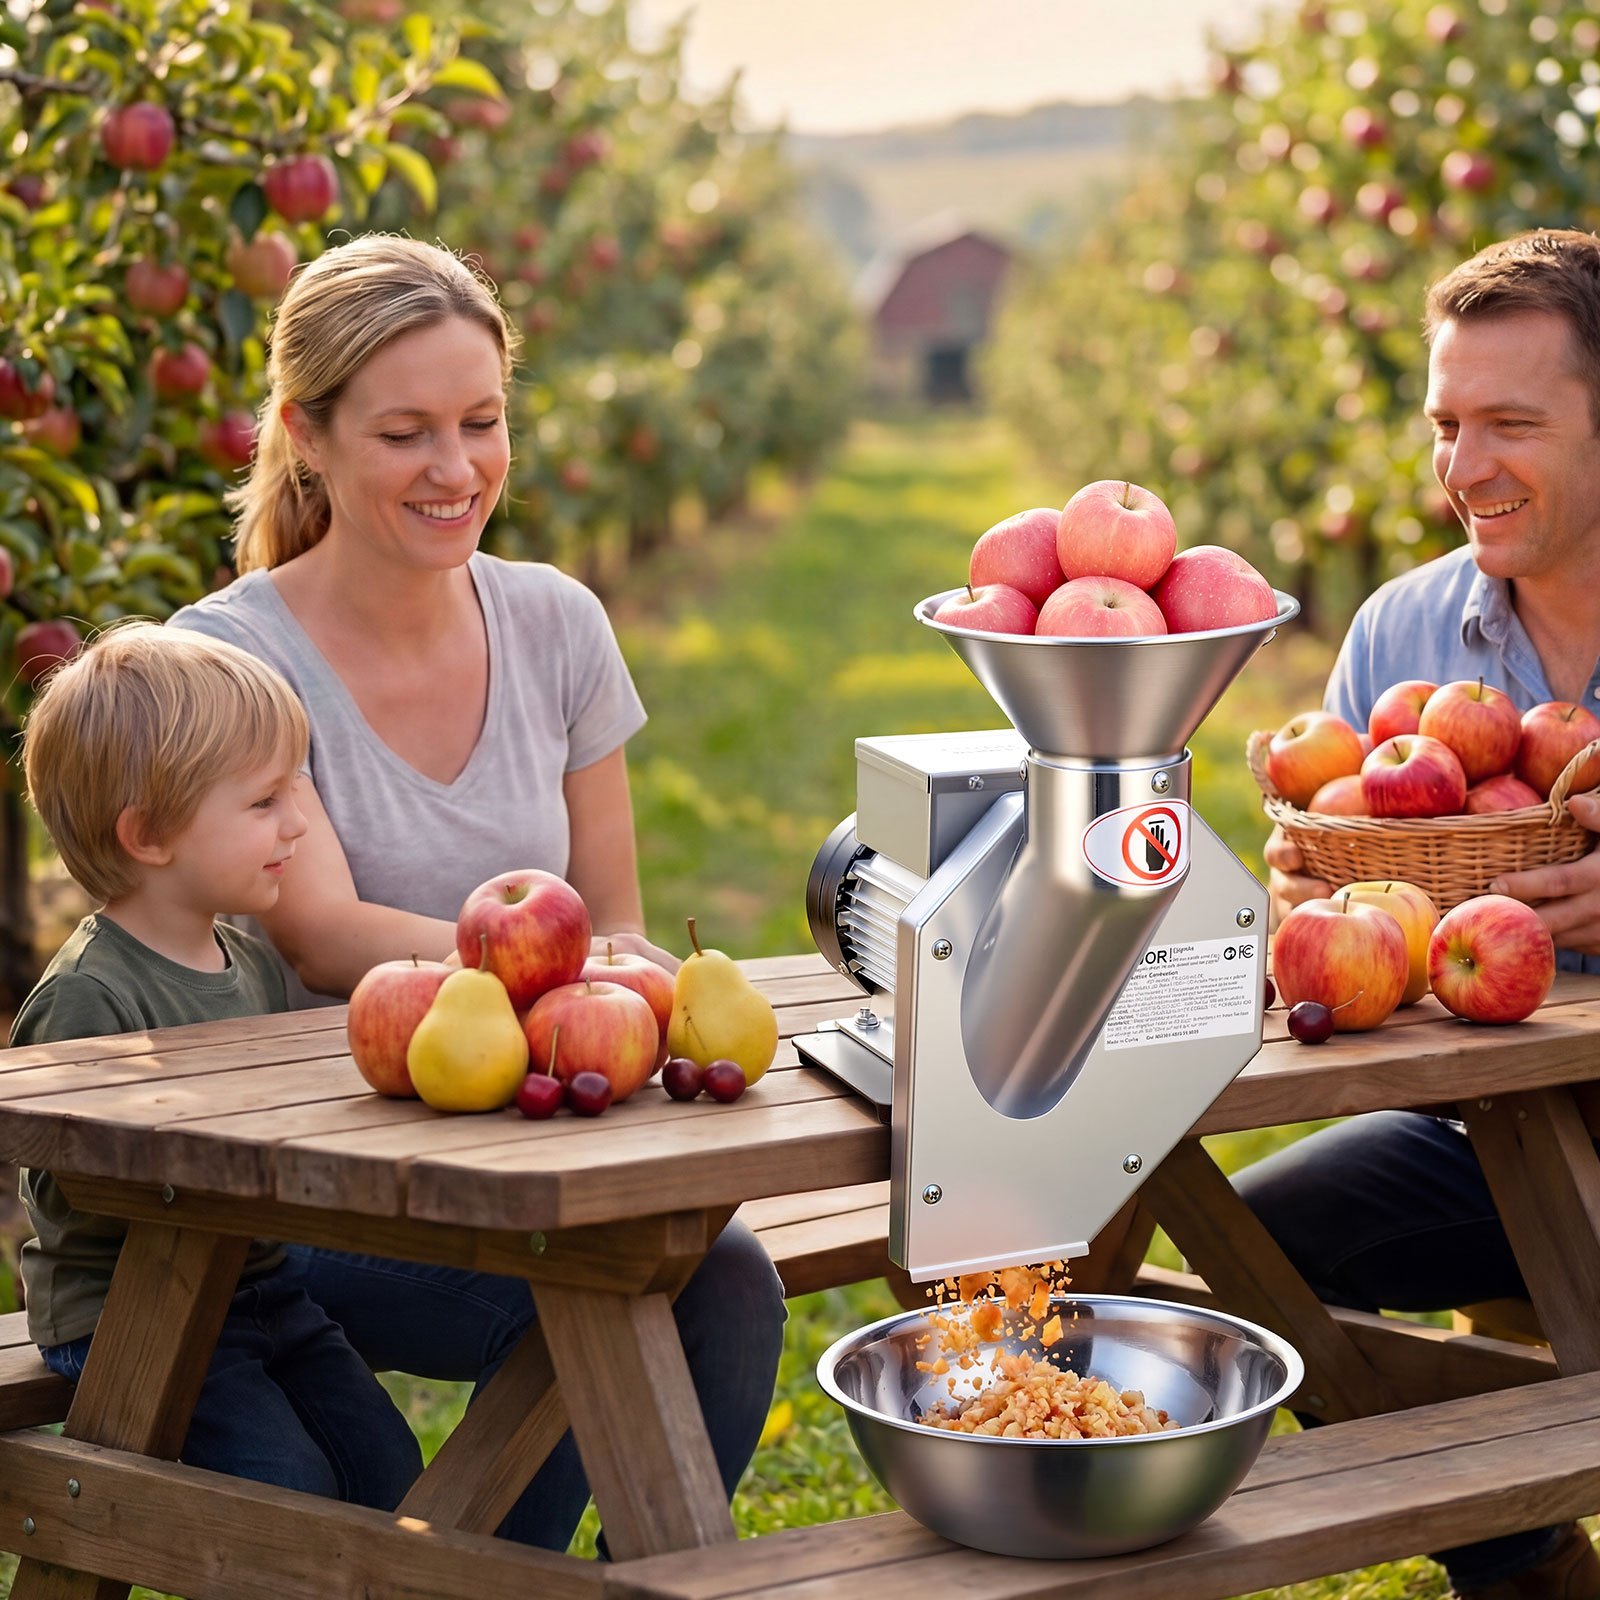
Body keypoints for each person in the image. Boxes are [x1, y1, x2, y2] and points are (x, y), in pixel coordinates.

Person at [168, 233, 786, 1553]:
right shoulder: (228, 660)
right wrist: (571, 975)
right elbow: (323, 934)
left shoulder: (557, 623)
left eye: (481, 422)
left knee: (723, 1280)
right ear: (305, 434)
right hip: (317, 1189)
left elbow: (613, 916)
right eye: (405, 434)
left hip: (532, 1153)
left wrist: (622, 983)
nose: (456, 470)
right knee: (623, 1292)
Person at [1245, 228, 1600, 1600]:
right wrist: (1313, 912)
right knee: (1257, 1253)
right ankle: (1524, 1565)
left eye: (1512, 424)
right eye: (1447, 426)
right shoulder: (1400, 637)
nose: (1465, 467)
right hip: (1484, 1129)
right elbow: (1335, 887)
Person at [12, 621, 422, 1508]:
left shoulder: (251, 965)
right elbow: (72, 1183)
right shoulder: (89, 998)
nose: (298, 822)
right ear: (150, 835)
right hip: (130, 1311)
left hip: (260, 1289)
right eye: (264, 801)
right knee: (286, 1488)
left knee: (390, 1473)